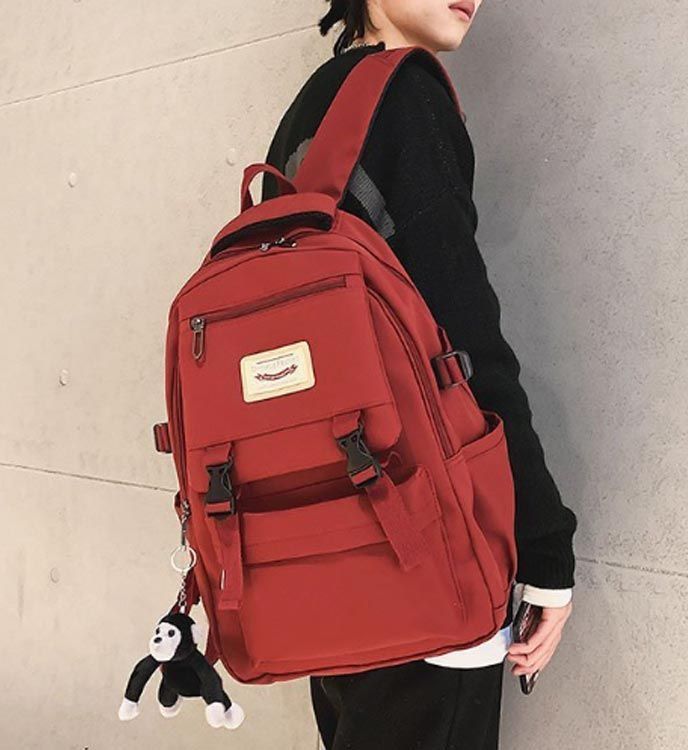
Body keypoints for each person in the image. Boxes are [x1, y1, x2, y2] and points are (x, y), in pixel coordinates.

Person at [261, 2, 578, 747]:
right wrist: (544, 546)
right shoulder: (406, 95)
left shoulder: (310, 112)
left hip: (318, 565)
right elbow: (464, 344)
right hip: (424, 565)